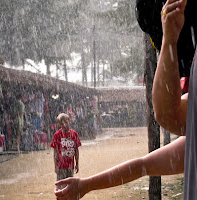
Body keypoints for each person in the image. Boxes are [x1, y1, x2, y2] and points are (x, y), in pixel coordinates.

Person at [54, 0, 193, 199]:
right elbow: (141, 165)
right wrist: (85, 185)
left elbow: (167, 116)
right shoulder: (191, 142)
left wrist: (169, 39)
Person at [50, 113, 81, 190]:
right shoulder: (57, 135)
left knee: (70, 187)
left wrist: (77, 164)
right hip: (61, 166)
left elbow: (76, 150)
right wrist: (56, 166)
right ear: (59, 125)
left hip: (70, 165)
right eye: (62, 124)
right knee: (61, 187)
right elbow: (55, 152)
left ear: (69, 121)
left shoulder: (74, 134)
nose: (64, 125)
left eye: (66, 122)